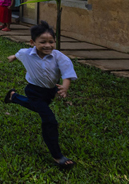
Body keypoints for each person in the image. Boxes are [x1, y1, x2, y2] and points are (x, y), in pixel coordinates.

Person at [5, 21, 77, 169]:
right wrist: (13, 57)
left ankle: (13, 97)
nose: (47, 45)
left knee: (37, 107)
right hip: (33, 90)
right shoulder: (27, 53)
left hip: (50, 91)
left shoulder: (59, 57)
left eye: (51, 42)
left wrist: (65, 87)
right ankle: (58, 156)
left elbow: (67, 73)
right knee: (49, 119)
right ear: (33, 42)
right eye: (42, 42)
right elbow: (19, 53)